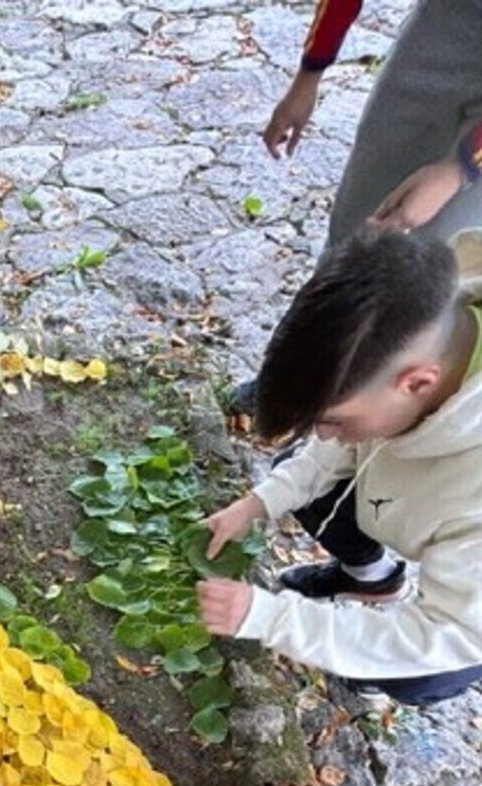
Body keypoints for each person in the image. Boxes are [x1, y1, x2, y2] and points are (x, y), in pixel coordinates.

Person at [197, 229, 482, 706]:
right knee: (303, 476)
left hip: (471, 620)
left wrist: (272, 619)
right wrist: (256, 504)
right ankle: (372, 581)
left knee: (420, 675)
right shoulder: (425, 317)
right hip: (408, 492)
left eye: (333, 419)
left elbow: (448, 632)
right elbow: (334, 447)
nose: (324, 434)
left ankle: (394, 677)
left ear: (416, 383)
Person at [263, 0, 482, 244]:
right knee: (357, 228)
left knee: (451, 251)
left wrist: (460, 168)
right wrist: (309, 75)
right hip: (449, 23)